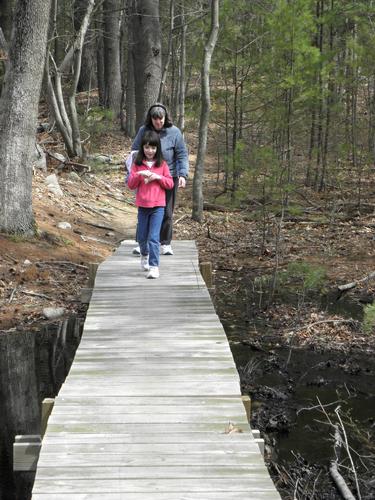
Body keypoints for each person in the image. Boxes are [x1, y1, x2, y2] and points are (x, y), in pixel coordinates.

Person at [131, 103, 189, 256]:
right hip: (147, 175)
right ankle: (142, 242)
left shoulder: (175, 132)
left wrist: (182, 175)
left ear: (165, 118)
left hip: (169, 175)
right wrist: (136, 172)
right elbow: (135, 151)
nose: (159, 122)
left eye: (161, 119)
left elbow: (182, 154)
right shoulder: (143, 131)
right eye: (155, 119)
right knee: (145, 208)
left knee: (167, 212)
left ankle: (165, 243)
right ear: (151, 119)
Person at [127, 130, 174, 279]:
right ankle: (144, 255)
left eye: (153, 148)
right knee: (142, 237)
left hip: (158, 207)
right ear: (142, 148)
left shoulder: (162, 164)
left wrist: (157, 177)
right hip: (143, 206)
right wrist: (139, 175)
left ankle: (154, 267)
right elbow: (131, 184)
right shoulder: (137, 164)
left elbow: (170, 184)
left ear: (157, 149)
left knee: (154, 237)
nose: (150, 151)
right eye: (147, 147)